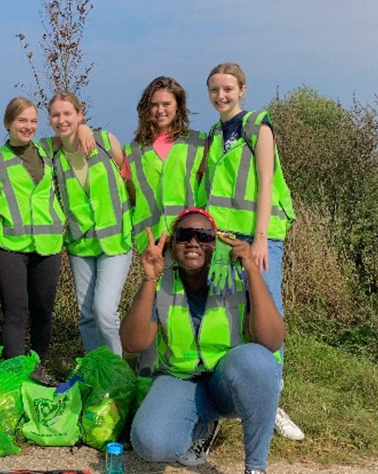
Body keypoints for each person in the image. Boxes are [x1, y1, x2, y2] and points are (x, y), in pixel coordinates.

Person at [121, 208, 283, 474]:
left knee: (259, 362)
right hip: (180, 379)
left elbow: (272, 340)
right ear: (172, 244)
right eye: (184, 235)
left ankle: (255, 467)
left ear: (215, 243)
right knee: (150, 443)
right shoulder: (162, 282)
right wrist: (149, 278)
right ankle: (201, 424)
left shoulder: (235, 278)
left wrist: (252, 271)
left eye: (204, 236)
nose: (194, 242)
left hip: (227, 380)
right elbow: (133, 343)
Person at [200, 62, 302, 441]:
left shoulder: (258, 125)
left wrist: (260, 238)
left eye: (227, 89)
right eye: (214, 90)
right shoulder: (214, 133)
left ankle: (270, 401)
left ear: (242, 90)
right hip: (225, 239)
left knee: (265, 312)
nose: (220, 95)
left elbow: (265, 183)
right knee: (228, 316)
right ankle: (237, 398)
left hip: (260, 236)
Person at [124, 76, 207, 375]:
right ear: (145, 109)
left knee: (190, 301)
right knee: (154, 301)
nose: (160, 110)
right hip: (153, 241)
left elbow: (205, 187)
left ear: (179, 107)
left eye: (167, 104)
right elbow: (132, 195)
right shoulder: (134, 150)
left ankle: (194, 363)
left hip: (190, 238)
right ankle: (149, 368)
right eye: (154, 105)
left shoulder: (198, 143)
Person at [49, 91, 133, 356]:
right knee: (86, 315)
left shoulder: (106, 141)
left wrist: (86, 130)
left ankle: (117, 371)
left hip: (115, 240)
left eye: (67, 114)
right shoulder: (52, 153)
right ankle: (96, 369)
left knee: (104, 310)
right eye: (55, 115)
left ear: (79, 115)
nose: (62, 120)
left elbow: (128, 181)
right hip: (80, 244)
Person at [0, 97, 65, 384]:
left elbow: (75, 132)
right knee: (16, 312)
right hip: (9, 246)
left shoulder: (46, 149)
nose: (28, 126)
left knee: (43, 312)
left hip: (47, 245)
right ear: (8, 123)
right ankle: (14, 376)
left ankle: (38, 370)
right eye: (22, 120)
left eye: (33, 120)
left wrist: (83, 129)